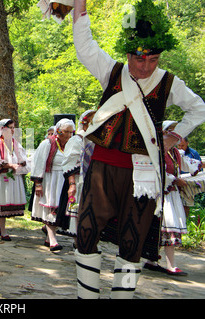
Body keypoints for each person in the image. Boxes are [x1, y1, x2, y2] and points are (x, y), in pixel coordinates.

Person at [71, 0, 205, 299]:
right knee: (86, 233)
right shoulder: (112, 71)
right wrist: (80, 6)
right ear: (128, 53)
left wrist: (174, 136)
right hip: (102, 169)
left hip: (143, 176)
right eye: (139, 59)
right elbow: (84, 46)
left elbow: (199, 109)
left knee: (133, 241)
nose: (145, 66)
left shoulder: (169, 82)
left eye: (153, 60)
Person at [144, 121, 202, 276]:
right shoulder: (158, 150)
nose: (176, 135)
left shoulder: (175, 152)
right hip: (162, 193)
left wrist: (201, 165)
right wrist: (174, 180)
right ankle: (170, 265)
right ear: (163, 133)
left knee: (164, 227)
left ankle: (152, 260)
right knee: (168, 226)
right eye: (171, 131)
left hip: (171, 194)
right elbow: (157, 171)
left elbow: (190, 164)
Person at [30, 118, 75, 251]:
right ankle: (53, 240)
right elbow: (39, 162)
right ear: (58, 130)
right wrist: (38, 183)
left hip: (64, 180)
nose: (68, 135)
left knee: (59, 208)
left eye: (71, 132)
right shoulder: (48, 143)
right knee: (51, 208)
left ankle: (49, 238)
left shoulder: (71, 144)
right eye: (66, 131)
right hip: (50, 179)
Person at [0, 119, 29, 241]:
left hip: (13, 177)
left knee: (7, 203)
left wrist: (22, 162)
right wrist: (10, 166)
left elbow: (21, 156)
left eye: (13, 127)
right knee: (2, 204)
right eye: (9, 127)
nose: (12, 130)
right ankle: (3, 231)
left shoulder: (15, 143)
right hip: (2, 178)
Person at [57, 110, 96, 239]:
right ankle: (77, 240)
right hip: (78, 181)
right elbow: (69, 163)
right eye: (90, 121)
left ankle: (84, 239)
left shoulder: (93, 140)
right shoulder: (76, 140)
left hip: (91, 181)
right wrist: (72, 184)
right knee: (77, 210)